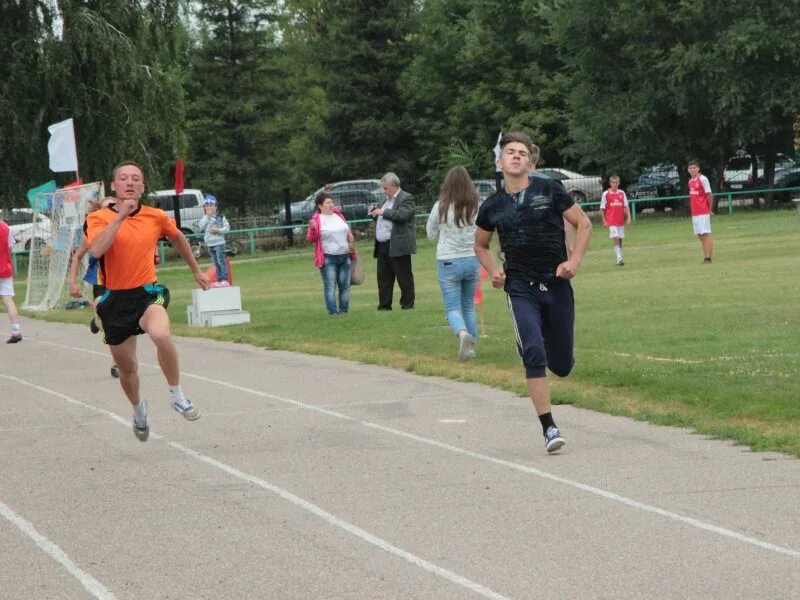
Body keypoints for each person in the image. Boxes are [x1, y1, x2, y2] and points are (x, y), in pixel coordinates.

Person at [474, 131, 592, 453]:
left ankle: (537, 346)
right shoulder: (492, 206)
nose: (515, 156)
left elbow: (584, 224)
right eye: (509, 152)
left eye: (522, 153)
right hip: (520, 285)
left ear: (530, 161)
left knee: (563, 364)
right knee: (534, 351)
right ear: (500, 162)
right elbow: (481, 244)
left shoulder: (549, 190)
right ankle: (549, 428)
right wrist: (493, 271)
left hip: (555, 282)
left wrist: (574, 260)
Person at [86, 161, 210, 442]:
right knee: (128, 371)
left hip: (146, 293)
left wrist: (196, 271)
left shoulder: (155, 216)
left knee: (161, 334)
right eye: (123, 178)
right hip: (113, 299)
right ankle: (138, 409)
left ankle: (176, 394)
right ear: (114, 185)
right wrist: (120, 217)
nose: (129, 183)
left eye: (135, 179)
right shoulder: (98, 219)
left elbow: (178, 238)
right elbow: (96, 249)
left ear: (142, 187)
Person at [426, 166, 480, 361]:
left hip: (448, 260)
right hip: (472, 259)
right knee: (468, 306)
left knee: (452, 308)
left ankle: (462, 333)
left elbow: (431, 234)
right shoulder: (476, 205)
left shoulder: (440, 206)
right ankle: (471, 348)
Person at [68, 197, 120, 377]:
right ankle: (117, 364)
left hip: (122, 281)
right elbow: (77, 257)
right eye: (107, 208)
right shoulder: (91, 234)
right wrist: (73, 283)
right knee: (109, 322)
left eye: (114, 208)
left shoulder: (126, 229)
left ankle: (96, 320)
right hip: (100, 281)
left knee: (123, 323)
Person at [368, 172, 416, 310]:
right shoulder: (386, 201)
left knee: (404, 277)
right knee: (383, 278)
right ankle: (384, 305)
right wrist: (374, 214)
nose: (384, 191)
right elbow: (383, 219)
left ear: (394, 186)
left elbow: (402, 215)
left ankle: (407, 305)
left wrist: (382, 212)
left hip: (397, 244)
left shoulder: (406, 198)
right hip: (382, 246)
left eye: (386, 188)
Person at [306, 191, 355, 316]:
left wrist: (350, 237)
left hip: (345, 256)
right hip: (328, 258)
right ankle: (333, 312)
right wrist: (312, 229)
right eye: (328, 203)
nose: (331, 204)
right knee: (330, 287)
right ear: (320, 206)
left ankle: (344, 311)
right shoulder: (316, 220)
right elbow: (311, 239)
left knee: (345, 286)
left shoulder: (339, 215)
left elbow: (346, 231)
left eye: (332, 202)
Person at [196, 194, 231, 285]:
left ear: (215, 207)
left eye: (211, 205)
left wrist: (219, 230)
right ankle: (219, 280)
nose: (209, 207)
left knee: (221, 261)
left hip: (219, 243)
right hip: (210, 244)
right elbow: (200, 228)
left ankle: (224, 280)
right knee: (215, 263)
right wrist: (207, 217)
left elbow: (227, 228)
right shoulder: (205, 218)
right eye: (206, 206)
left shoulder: (220, 217)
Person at [599, 175, 632, 266]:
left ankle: (620, 257)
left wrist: (629, 217)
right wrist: (604, 221)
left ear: (619, 183)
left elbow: (626, 206)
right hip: (611, 221)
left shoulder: (622, 193)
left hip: (620, 220)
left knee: (620, 239)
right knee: (616, 237)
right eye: (613, 182)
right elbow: (602, 209)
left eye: (617, 182)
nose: (615, 184)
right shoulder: (606, 194)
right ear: (610, 183)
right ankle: (619, 258)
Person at [0, 218, 22, 343]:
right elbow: (10, 248)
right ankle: (16, 331)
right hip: (4, 268)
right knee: (8, 300)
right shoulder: (5, 227)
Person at [687, 160, 714, 263]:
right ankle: (705, 256)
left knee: (705, 234)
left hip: (703, 212)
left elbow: (709, 194)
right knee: (700, 235)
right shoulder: (690, 182)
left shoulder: (703, 179)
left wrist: (709, 209)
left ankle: (708, 258)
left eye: (694, 167)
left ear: (698, 168)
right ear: (688, 169)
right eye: (690, 168)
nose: (692, 170)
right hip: (695, 213)